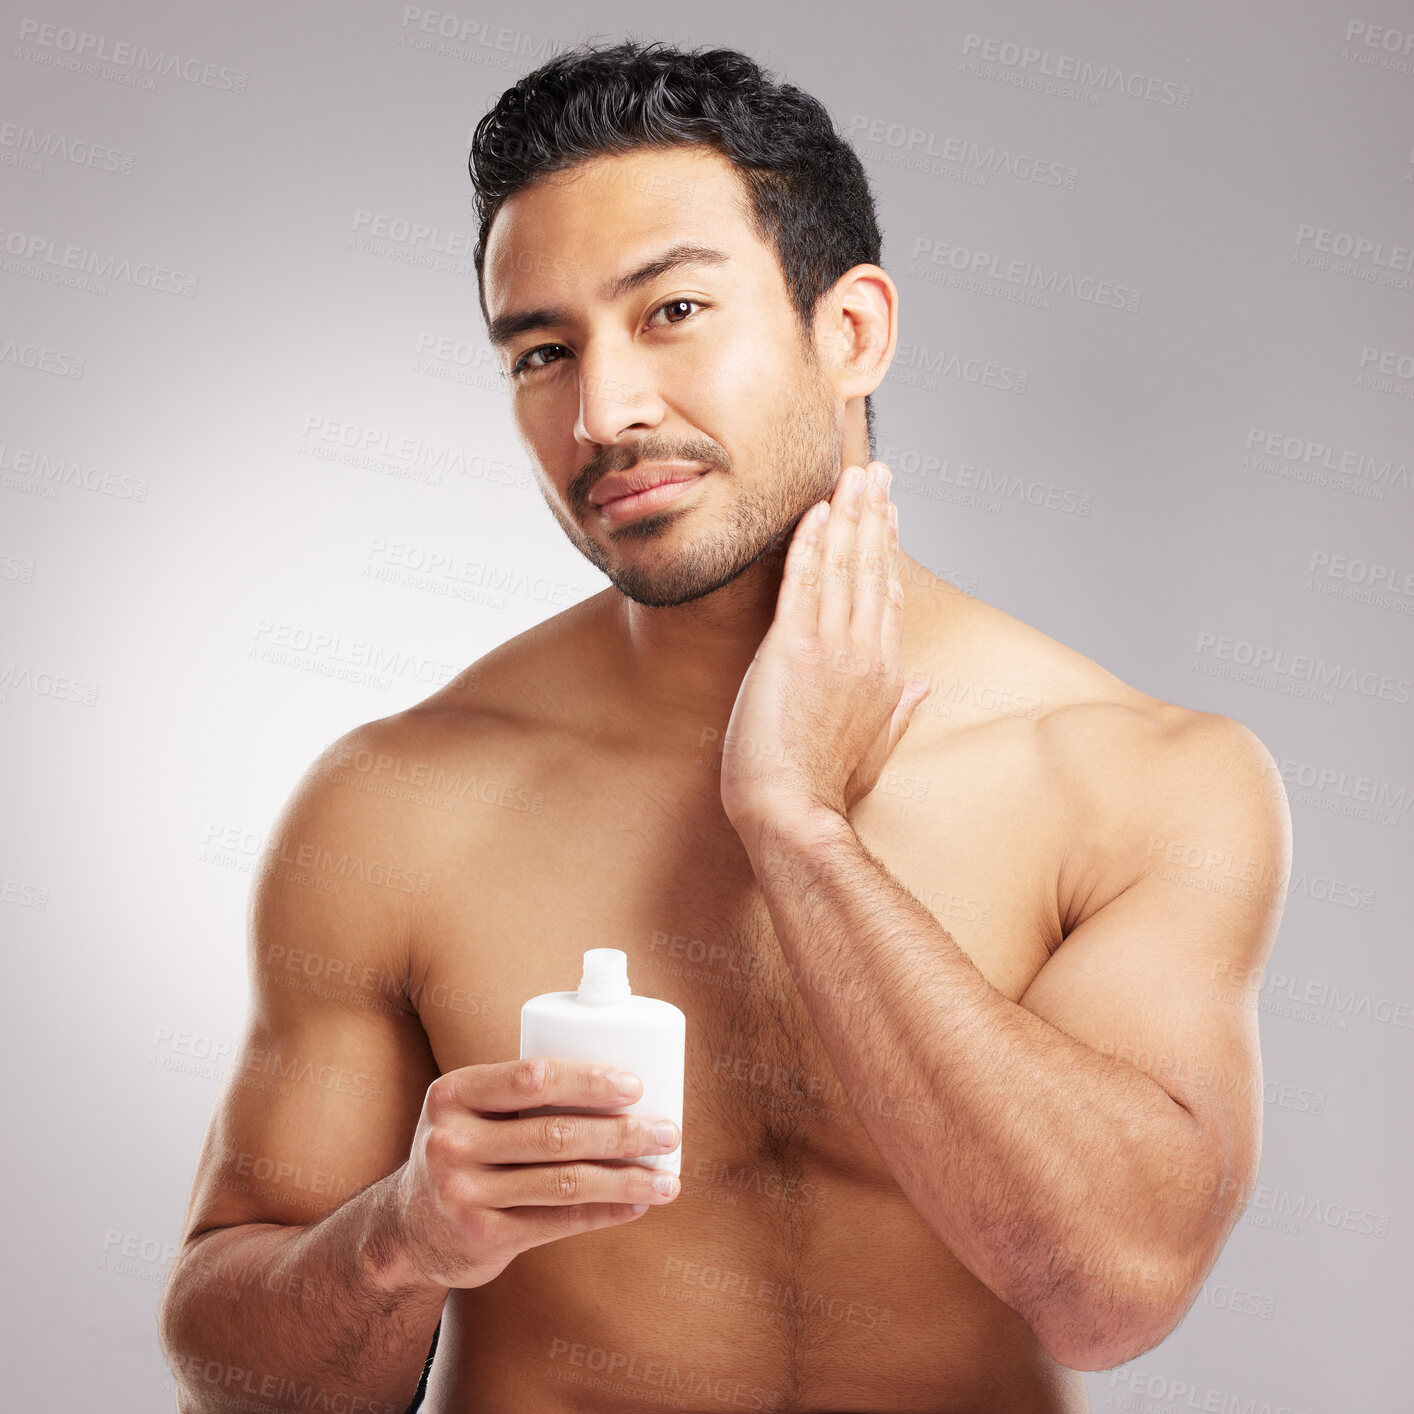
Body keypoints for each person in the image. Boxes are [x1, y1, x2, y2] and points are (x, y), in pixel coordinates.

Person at [158, 38, 1291, 1413]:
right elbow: (243, 1381)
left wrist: (798, 827)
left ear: (851, 329)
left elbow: (1111, 1291)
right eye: (539, 351)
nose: (604, 411)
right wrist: (402, 1237)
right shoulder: (400, 798)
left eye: (673, 310)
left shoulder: (1140, 777)